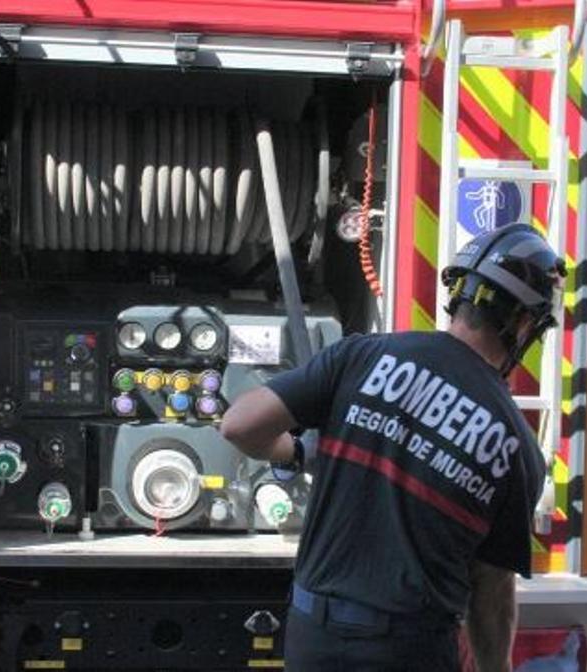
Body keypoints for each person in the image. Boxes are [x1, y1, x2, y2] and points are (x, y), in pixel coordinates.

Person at [220, 223, 565, 671]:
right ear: (523, 323)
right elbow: (492, 593)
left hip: (314, 636)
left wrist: (300, 451)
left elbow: (240, 426)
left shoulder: (361, 356)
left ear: (459, 297)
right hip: (409, 651)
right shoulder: (517, 447)